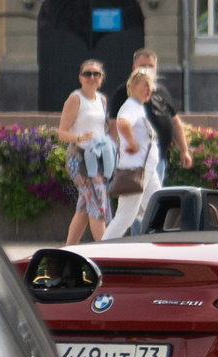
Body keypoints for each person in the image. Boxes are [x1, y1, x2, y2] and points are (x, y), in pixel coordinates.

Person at [58, 61, 112, 246]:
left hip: (98, 159)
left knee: (84, 207)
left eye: (96, 74)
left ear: (101, 78)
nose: (92, 78)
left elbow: (104, 130)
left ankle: (68, 250)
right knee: (97, 202)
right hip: (79, 157)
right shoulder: (75, 99)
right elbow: (61, 132)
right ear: (80, 78)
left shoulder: (102, 100)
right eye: (87, 74)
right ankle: (105, 251)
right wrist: (79, 137)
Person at [104, 67, 157, 239]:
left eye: (151, 86)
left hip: (145, 169)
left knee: (158, 208)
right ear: (133, 86)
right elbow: (122, 123)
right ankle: (103, 249)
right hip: (135, 170)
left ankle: (160, 246)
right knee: (125, 216)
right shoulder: (131, 106)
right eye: (145, 85)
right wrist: (133, 144)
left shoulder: (137, 107)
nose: (149, 89)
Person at [132, 48, 193, 171]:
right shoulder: (126, 92)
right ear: (134, 68)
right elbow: (116, 125)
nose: (147, 69)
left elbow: (175, 122)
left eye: (150, 66)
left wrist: (184, 150)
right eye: (143, 66)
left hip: (159, 160)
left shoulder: (161, 91)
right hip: (138, 161)